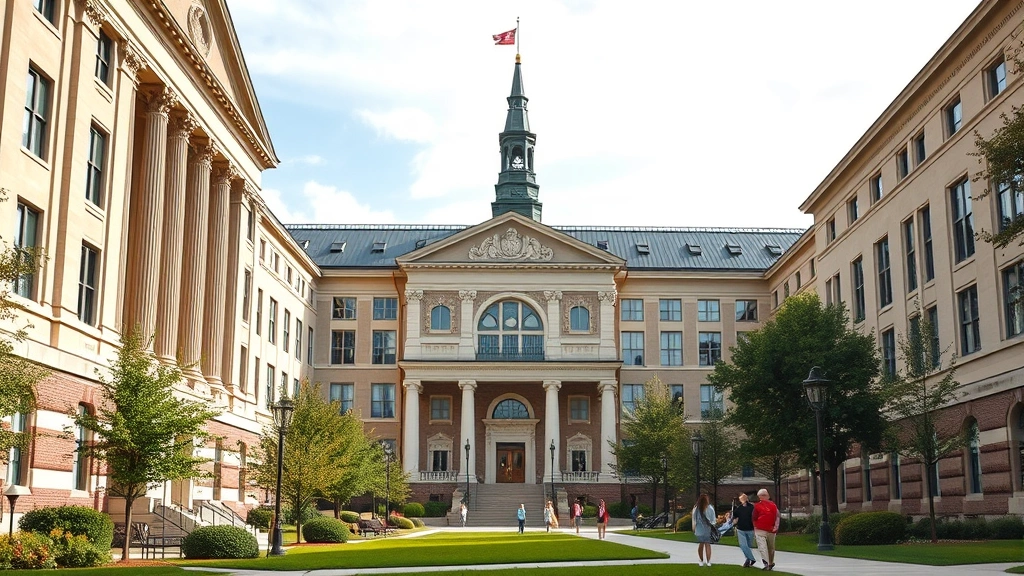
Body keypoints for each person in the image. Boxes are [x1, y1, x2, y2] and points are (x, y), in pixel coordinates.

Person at [752, 488, 780, 571]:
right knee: (770, 547)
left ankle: (767, 563)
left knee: (763, 547)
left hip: (761, 529)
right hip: (769, 529)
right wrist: (776, 527)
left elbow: (754, 517)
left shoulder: (757, 506)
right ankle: (769, 563)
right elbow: (777, 518)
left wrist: (755, 526)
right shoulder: (774, 506)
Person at [731, 493, 757, 568]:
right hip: (741, 529)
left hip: (750, 529)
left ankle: (747, 560)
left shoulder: (752, 507)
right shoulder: (739, 508)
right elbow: (735, 517)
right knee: (743, 545)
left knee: (748, 546)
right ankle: (752, 559)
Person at [691, 493, 716, 567]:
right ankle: (708, 561)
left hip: (699, 529)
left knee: (701, 544)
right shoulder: (710, 508)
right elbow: (713, 520)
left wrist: (694, 528)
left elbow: (694, 519)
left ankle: (701, 560)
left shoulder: (696, 508)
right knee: (707, 544)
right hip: (707, 528)